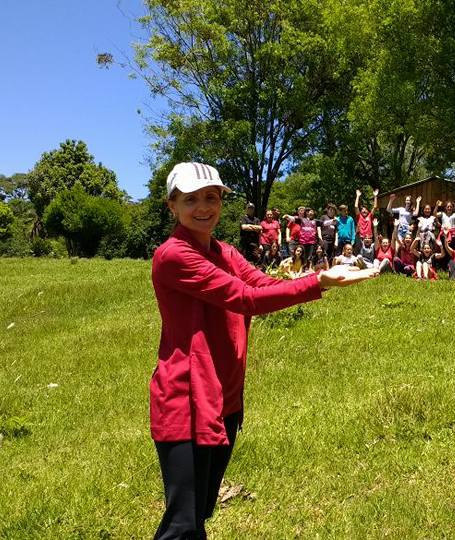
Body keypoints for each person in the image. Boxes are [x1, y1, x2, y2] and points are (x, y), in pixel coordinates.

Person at [150, 162, 377, 539]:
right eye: (191, 199)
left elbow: (261, 282)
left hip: (224, 397)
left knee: (199, 515)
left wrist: (323, 273)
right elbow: (247, 298)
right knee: (182, 527)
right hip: (187, 398)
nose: (203, 207)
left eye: (211, 197)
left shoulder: (224, 252)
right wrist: (318, 283)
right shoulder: (174, 255)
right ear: (171, 205)